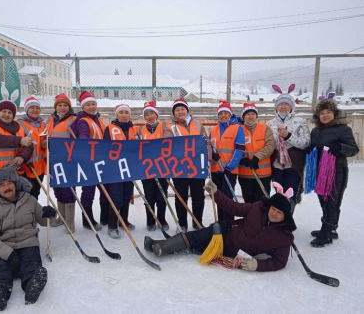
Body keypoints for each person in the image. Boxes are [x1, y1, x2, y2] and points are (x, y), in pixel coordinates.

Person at [144, 179, 297, 272]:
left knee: (197, 247)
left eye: (279, 212)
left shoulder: (284, 237)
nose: (274, 213)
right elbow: (233, 207)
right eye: (273, 209)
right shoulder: (258, 208)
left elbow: (279, 262)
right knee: (196, 236)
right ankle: (162, 247)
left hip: (230, 252)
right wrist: (216, 193)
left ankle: (158, 245)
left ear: (285, 216)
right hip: (225, 231)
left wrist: (257, 265)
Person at [0, 165, 56, 311]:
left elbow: (45, 221)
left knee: (31, 265)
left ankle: (32, 284)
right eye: (2, 184)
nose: (6, 187)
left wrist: (50, 214)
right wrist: (7, 253)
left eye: (9, 183)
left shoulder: (29, 200)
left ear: (16, 184)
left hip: (28, 244)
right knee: (0, 270)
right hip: (3, 247)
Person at [308, 99, 359, 247]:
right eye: (322, 113)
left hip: (337, 171)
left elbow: (353, 149)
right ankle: (330, 228)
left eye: (328, 112)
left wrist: (340, 147)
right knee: (323, 200)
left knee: (332, 201)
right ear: (318, 115)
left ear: (334, 113)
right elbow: (313, 146)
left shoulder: (343, 129)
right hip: (320, 171)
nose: (325, 115)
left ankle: (326, 233)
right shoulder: (316, 131)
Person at [266, 85, 310, 212]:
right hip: (277, 165)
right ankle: (278, 222)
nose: (283, 106)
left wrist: (288, 136)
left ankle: (287, 222)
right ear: (276, 107)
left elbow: (306, 142)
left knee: (290, 193)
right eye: (280, 104)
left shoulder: (300, 121)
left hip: (293, 165)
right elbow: (268, 143)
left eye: (286, 104)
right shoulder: (270, 123)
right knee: (279, 194)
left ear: (292, 106)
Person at [170, 98, 210, 231]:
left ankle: (197, 222)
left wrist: (211, 155)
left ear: (187, 110)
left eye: (182, 109)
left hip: (197, 167)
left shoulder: (198, 125)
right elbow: (165, 146)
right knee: (181, 197)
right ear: (174, 112)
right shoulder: (170, 127)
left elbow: (206, 143)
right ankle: (182, 224)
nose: (180, 112)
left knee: (198, 196)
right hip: (179, 168)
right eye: (177, 110)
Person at [0, 100, 33, 192]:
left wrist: (22, 156)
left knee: (15, 204)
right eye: (3, 111)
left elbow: (29, 145)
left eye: (10, 112)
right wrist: (20, 140)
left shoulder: (19, 127)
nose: (7, 115)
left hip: (13, 174)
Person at [70, 91, 105, 231]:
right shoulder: (83, 120)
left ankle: (105, 217)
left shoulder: (97, 118)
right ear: (83, 107)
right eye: (88, 104)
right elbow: (83, 136)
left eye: (93, 104)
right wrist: (84, 144)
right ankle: (87, 218)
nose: (91, 107)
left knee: (104, 189)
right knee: (89, 190)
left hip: (101, 159)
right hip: (88, 160)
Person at [138, 101, 173, 231]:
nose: (149, 116)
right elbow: (136, 146)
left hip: (162, 167)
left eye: (151, 113)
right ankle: (150, 221)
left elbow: (168, 141)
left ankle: (161, 219)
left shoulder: (164, 126)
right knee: (149, 196)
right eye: (146, 114)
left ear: (156, 114)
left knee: (161, 196)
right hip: (146, 169)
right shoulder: (140, 129)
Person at [103, 104, 137, 239]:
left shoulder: (134, 129)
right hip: (115, 168)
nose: (124, 115)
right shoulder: (109, 128)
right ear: (116, 114)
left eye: (126, 112)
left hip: (130, 167)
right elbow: (105, 147)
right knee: (116, 197)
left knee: (127, 196)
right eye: (121, 112)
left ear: (130, 115)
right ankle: (112, 225)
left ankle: (124, 221)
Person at [209, 100, 245, 223]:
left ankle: (229, 223)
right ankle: (221, 222)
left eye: (225, 113)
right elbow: (209, 147)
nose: (223, 116)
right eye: (220, 113)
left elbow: (240, 149)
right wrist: (211, 155)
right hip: (215, 170)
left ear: (230, 114)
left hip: (229, 171)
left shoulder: (237, 128)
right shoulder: (214, 130)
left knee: (228, 198)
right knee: (218, 198)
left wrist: (230, 167)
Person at [46, 93, 77, 232]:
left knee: (68, 191)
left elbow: (78, 140)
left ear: (69, 107)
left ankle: (70, 222)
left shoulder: (74, 120)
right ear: (56, 107)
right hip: (54, 161)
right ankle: (62, 217)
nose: (62, 108)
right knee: (58, 189)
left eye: (65, 105)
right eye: (60, 105)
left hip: (68, 161)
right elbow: (45, 136)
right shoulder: (51, 120)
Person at [238, 103, 275, 203]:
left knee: (263, 202)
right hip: (245, 174)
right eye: (247, 114)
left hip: (263, 174)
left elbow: (270, 146)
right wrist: (242, 158)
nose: (250, 117)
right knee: (249, 203)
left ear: (256, 116)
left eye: (253, 114)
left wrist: (257, 157)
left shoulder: (265, 128)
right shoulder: (238, 129)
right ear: (243, 116)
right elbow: (234, 147)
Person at [16, 96, 47, 199]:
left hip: (40, 167)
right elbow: (17, 145)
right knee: (25, 196)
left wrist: (45, 143)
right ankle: (27, 215)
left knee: (35, 194)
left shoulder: (43, 124)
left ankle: (33, 214)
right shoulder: (20, 124)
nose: (35, 110)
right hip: (27, 167)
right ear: (26, 110)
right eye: (32, 107)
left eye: (37, 108)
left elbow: (44, 141)